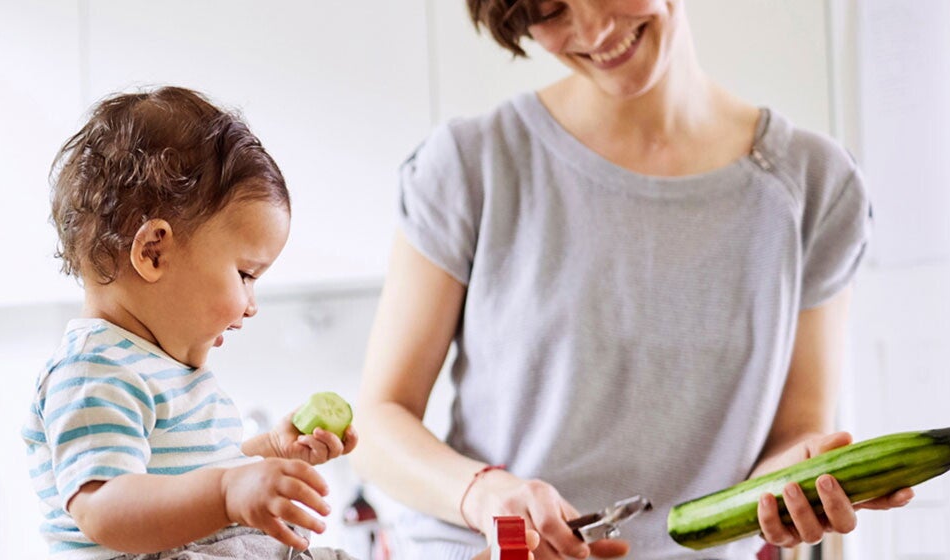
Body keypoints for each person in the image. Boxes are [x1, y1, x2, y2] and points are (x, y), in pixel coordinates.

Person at [349, 2, 911, 559]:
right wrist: (486, 496)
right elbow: (378, 426)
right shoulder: (473, 164)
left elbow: (795, 435)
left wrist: (801, 480)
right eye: (551, 11)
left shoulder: (816, 186)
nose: (593, 31)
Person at [21, 86, 362, 560]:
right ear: (153, 251)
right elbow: (102, 509)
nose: (251, 304)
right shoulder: (94, 370)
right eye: (245, 274)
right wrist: (227, 492)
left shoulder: (165, 369)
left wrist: (269, 454)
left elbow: (187, 480)